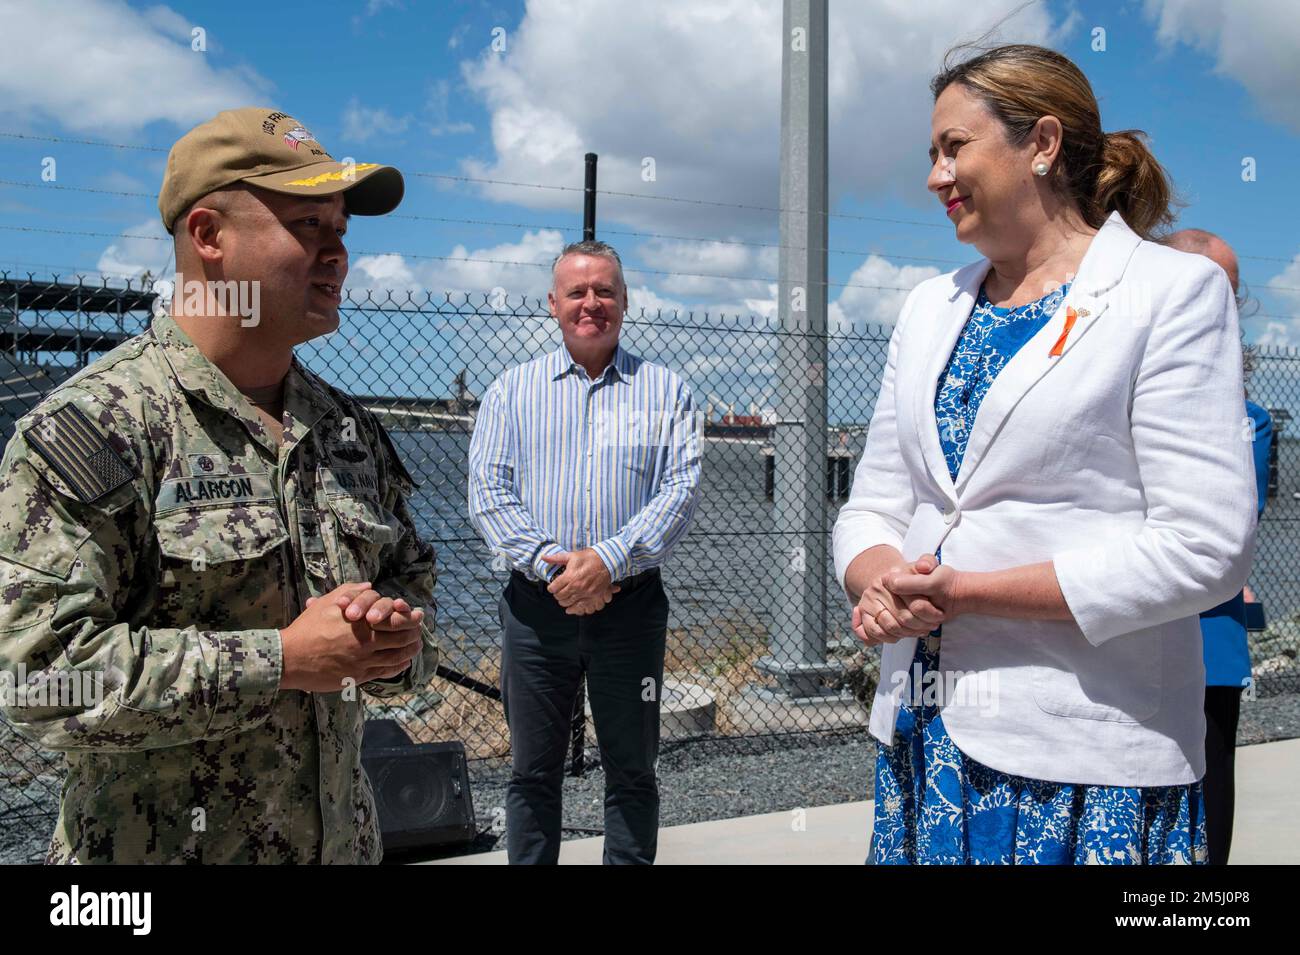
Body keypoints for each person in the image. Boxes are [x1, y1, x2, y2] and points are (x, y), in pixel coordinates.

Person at [832, 44, 1256, 865]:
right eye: (931, 153)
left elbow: (1204, 544)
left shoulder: (1169, 293)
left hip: (1088, 756)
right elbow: (875, 501)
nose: (935, 175)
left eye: (954, 147)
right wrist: (878, 581)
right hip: (926, 736)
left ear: (1043, 144)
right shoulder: (928, 307)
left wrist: (971, 592)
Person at [0, 108, 439, 863]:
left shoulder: (345, 431)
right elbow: (37, 680)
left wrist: (393, 645)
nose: (338, 255)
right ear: (208, 235)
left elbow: (414, 589)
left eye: (342, 231)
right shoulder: (98, 430)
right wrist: (282, 660)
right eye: (309, 226)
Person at [468, 239, 701, 864]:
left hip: (632, 610)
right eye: (577, 292)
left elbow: (678, 493)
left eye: (605, 291)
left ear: (625, 302)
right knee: (531, 774)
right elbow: (489, 493)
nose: (591, 303)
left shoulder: (667, 393)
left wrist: (607, 562)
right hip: (535, 610)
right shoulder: (511, 392)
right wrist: (558, 565)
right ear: (553, 304)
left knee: (633, 772)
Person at [1165, 227, 1272, 865]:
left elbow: (1219, 526)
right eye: (1216, 289)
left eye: (1232, 293)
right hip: (1112, 638)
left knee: (1208, 793)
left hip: (1207, 643)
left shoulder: (1245, 418)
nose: (1227, 308)